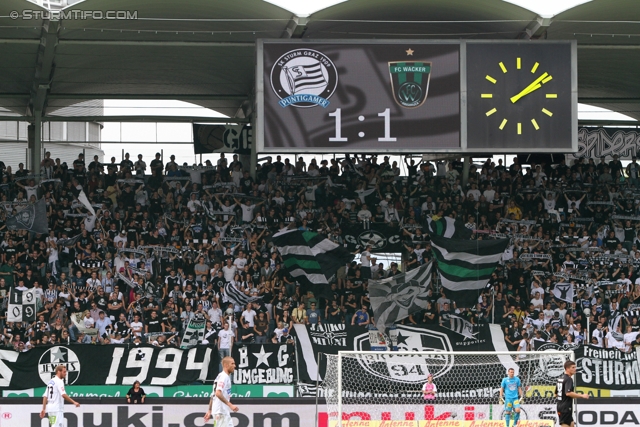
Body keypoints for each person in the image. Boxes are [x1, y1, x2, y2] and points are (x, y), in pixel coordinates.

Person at [204, 356, 239, 426]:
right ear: (226, 365)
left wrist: (209, 410)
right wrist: (230, 405)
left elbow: (213, 395)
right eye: (232, 364)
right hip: (221, 411)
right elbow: (217, 393)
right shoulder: (224, 377)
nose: (234, 366)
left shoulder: (219, 376)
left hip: (220, 411)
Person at [556, 360, 588, 427]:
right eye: (573, 367)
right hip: (565, 408)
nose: (575, 369)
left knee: (572, 424)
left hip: (561, 406)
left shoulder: (560, 378)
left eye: (575, 367)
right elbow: (568, 393)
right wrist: (582, 396)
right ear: (567, 369)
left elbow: (556, 394)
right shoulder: (568, 379)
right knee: (565, 424)